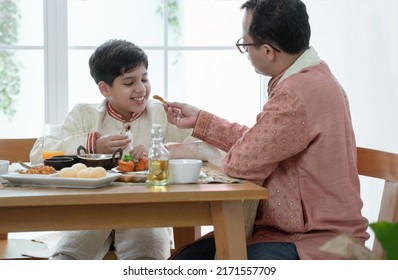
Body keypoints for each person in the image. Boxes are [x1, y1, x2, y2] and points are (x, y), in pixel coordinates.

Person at [164, 0, 369, 260]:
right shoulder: (313, 76)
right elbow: (263, 142)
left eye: (245, 44)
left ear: (269, 51)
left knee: (192, 262)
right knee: (187, 259)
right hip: (292, 232)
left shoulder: (295, 94)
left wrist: (201, 150)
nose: (246, 53)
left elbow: (240, 163)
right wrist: (202, 121)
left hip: (317, 240)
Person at [29, 39, 224, 260]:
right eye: (129, 82)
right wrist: (91, 145)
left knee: (146, 259)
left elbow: (216, 152)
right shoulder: (84, 115)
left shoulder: (164, 115)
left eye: (145, 78)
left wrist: (164, 151)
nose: (141, 89)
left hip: (149, 213)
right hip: (88, 211)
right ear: (105, 88)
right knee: (67, 258)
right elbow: (38, 154)